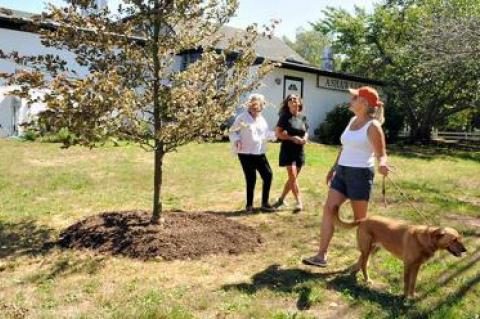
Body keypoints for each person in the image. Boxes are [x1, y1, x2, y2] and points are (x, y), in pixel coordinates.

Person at [303, 86, 389, 267]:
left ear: (364, 103)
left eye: (354, 98)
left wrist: (382, 163)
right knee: (329, 210)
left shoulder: (373, 126)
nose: (350, 100)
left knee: (361, 222)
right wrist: (334, 167)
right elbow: (345, 146)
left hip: (360, 175)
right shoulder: (352, 121)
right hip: (342, 172)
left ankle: (364, 257)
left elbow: (381, 153)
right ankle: (321, 255)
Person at [229, 93, 276, 213]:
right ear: (250, 105)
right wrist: (237, 140)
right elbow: (232, 132)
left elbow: (266, 134)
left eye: (258, 107)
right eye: (253, 107)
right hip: (245, 153)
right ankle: (249, 205)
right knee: (251, 178)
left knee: (268, 175)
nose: (256, 109)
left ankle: (265, 203)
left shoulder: (262, 119)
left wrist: (277, 135)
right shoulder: (242, 117)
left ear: (261, 106)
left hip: (259, 152)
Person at [273, 94, 309, 212]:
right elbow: (278, 133)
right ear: (287, 103)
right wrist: (292, 138)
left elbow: (306, 131)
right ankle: (299, 202)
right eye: (290, 99)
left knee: (292, 179)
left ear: (299, 102)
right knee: (292, 176)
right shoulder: (284, 117)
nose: (293, 100)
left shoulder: (303, 117)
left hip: (299, 150)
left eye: (295, 99)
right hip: (288, 149)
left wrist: (305, 139)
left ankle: (281, 198)